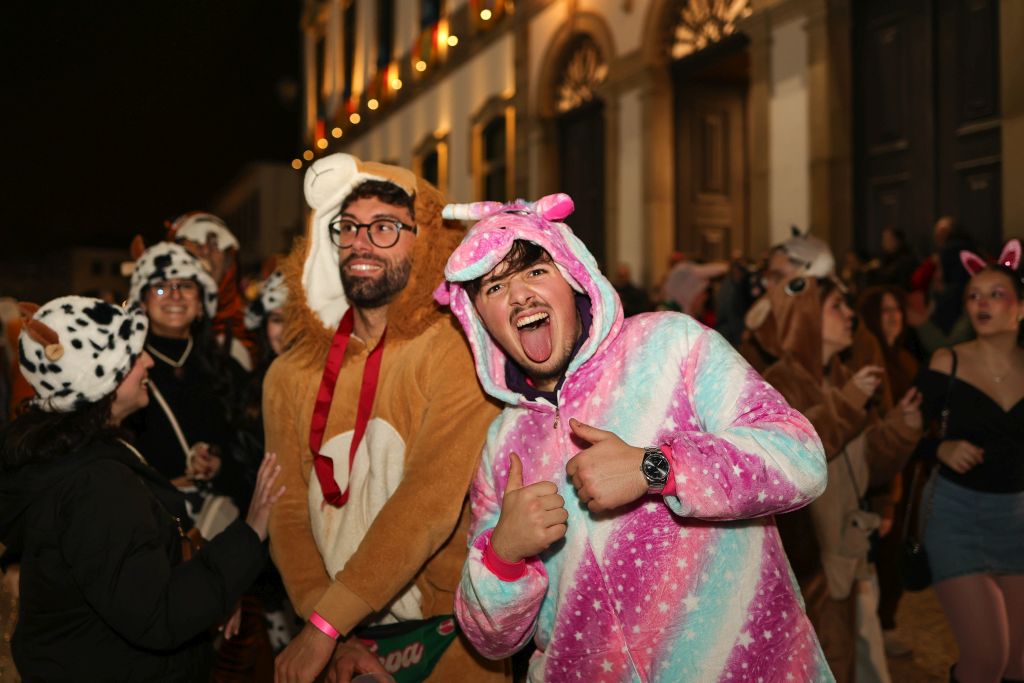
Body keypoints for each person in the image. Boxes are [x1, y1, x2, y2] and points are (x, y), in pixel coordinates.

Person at [436, 194, 832, 682]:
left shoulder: (670, 345)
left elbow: (800, 456)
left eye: (536, 272)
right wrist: (504, 555)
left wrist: (656, 468)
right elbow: (490, 639)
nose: (520, 296)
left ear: (573, 276)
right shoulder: (502, 443)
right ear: (478, 317)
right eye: (495, 286)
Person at [265, 153, 507, 683]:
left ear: (427, 240)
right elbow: (286, 512)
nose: (361, 242)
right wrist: (330, 626)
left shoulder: (459, 349)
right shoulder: (288, 375)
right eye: (348, 226)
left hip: (450, 639)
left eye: (385, 227)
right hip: (336, 644)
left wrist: (325, 625)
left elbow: (427, 502)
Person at [0, 295, 283, 681]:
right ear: (99, 382)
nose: (148, 361)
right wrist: (250, 532)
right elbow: (159, 614)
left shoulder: (73, 455)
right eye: (132, 357)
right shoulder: (96, 484)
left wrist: (214, 593)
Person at [753, 276, 923, 682]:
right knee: (818, 661)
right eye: (836, 307)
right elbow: (794, 455)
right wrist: (846, 404)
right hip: (804, 555)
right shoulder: (777, 382)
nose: (850, 316)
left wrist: (903, 427)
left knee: (841, 657)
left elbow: (867, 463)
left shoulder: (842, 376)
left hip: (842, 547)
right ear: (806, 319)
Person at [915, 239, 1024, 683]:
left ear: (1021, 308)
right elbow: (903, 433)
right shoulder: (948, 362)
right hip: (956, 516)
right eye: (974, 295)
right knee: (986, 658)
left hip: (1017, 519)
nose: (982, 303)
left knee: (1019, 664)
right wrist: (938, 449)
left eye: (996, 294)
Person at [125, 239, 249, 528]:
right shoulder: (125, 372)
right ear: (142, 303)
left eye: (186, 286)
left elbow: (254, 451)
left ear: (202, 303)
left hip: (220, 523)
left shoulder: (228, 369)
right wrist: (161, 483)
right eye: (160, 287)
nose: (175, 295)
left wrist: (219, 465)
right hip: (148, 522)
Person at [856, 286, 922, 658]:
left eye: (897, 309)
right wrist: (888, 500)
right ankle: (877, 630)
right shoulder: (869, 364)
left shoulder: (907, 360)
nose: (894, 317)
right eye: (884, 311)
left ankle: (886, 623)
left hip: (910, 469)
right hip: (885, 474)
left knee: (896, 551)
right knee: (880, 553)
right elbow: (878, 432)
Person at [740, 226, 835, 372]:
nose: (769, 286)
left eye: (779, 278)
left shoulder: (840, 325)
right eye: (769, 277)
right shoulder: (760, 333)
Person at [170, 211, 255, 370]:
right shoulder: (160, 317)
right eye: (195, 242)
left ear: (228, 262)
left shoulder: (249, 325)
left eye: (214, 243)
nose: (205, 252)